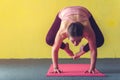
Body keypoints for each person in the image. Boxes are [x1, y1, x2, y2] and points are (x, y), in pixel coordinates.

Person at [46, 6, 104, 74]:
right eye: (72, 41)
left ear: (83, 35)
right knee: (50, 40)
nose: (75, 44)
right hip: (65, 12)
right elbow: (55, 49)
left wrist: (92, 68)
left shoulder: (88, 31)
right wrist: (55, 68)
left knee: (99, 40)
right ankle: (66, 47)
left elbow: (93, 50)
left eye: (78, 40)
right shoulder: (62, 32)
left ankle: (82, 50)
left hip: (83, 12)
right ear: (67, 35)